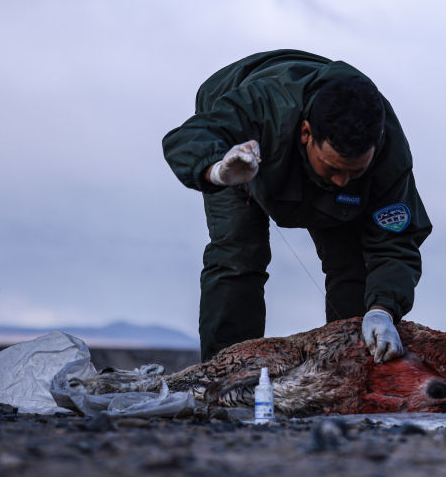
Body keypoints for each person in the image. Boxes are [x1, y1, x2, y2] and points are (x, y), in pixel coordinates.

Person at [162, 49, 431, 363]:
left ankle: (349, 364)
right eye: (333, 167)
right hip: (241, 151)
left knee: (352, 262)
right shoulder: (261, 107)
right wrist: (219, 169)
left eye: (354, 171)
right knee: (238, 254)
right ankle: (230, 370)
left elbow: (396, 242)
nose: (341, 181)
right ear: (306, 133)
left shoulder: (388, 155)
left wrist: (382, 310)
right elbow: (188, 137)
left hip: (319, 171)